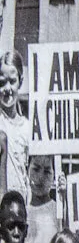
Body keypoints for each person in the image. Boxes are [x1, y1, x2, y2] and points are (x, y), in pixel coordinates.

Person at [0, 53, 29, 199]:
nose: (7, 88)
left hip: (21, 206)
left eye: (12, 81)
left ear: (21, 82)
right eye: (2, 82)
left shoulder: (27, 127)